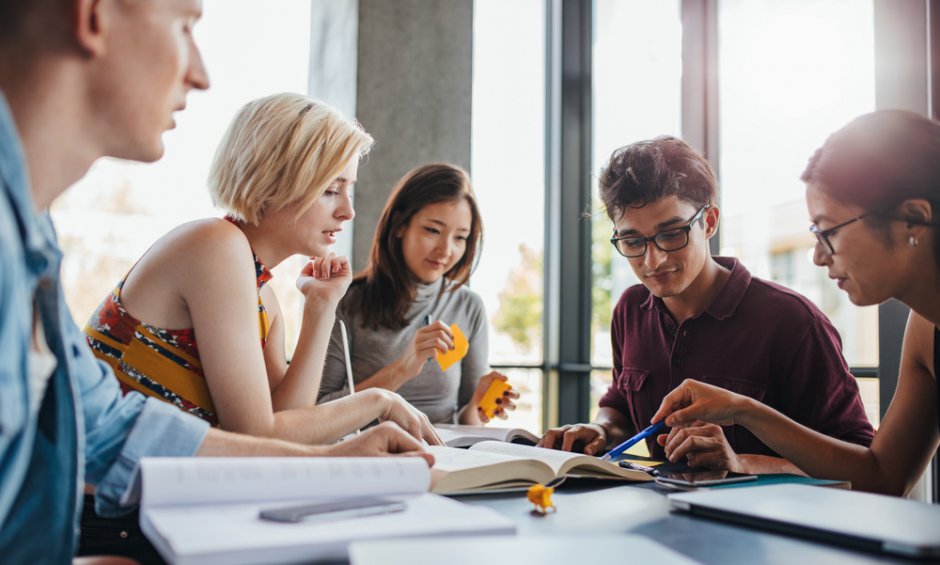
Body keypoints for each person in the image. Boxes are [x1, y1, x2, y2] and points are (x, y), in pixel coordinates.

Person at [0, 1, 431, 562]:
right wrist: (371, 404)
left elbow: (109, 428)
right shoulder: (217, 246)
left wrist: (321, 311)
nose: (201, 73)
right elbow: (260, 430)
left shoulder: (33, 235)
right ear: (93, 16)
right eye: (185, 26)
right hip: (114, 518)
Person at [84, 92, 440, 445]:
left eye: (349, 191)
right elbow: (256, 436)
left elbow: (284, 432)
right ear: (274, 182)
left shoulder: (263, 297)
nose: (348, 212)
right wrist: (379, 400)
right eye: (331, 190)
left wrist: (321, 307)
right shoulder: (214, 245)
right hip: (89, 494)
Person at [538, 136, 873, 474]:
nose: (653, 260)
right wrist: (601, 429)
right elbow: (620, 405)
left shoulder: (793, 321)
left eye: (671, 234)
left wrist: (743, 464)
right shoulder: (630, 309)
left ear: (709, 222)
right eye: (633, 241)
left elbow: (859, 463)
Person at [652, 110, 938, 496]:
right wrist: (744, 409)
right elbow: (884, 477)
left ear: (912, 219)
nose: (819, 257)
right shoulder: (924, 329)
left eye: (829, 232)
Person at [318, 163, 518, 424]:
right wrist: (402, 369)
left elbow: (469, 426)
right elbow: (316, 412)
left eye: (460, 237)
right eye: (433, 230)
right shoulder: (348, 301)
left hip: (446, 457)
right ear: (400, 225)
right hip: (371, 455)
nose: (446, 250)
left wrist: (477, 405)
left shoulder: (469, 306)